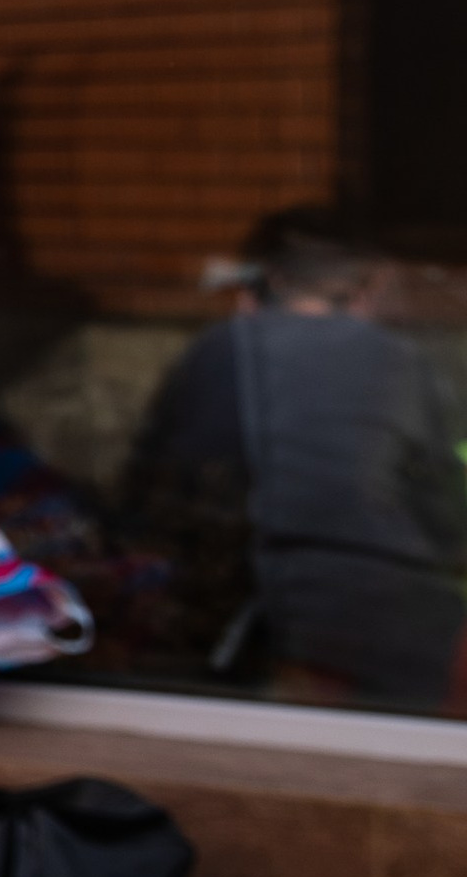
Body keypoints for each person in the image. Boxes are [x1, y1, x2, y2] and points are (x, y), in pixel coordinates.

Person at [126, 208, 467, 710]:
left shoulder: (222, 347)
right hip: (398, 621)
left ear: (260, 287)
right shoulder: (403, 360)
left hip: (265, 616)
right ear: (367, 289)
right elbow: (444, 501)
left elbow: (155, 489)